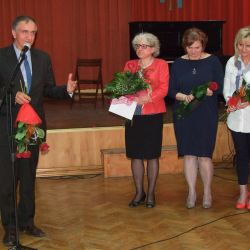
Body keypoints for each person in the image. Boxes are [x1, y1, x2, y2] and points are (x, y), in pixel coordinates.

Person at [0, 15, 76, 247]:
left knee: (28, 178)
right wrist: (11, 95)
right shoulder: (1, 57)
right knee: (7, 181)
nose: (29, 37)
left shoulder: (43, 58)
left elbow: (50, 89)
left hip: (34, 128)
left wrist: (67, 90)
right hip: (7, 127)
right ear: (13, 33)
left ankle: (27, 222)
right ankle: (11, 229)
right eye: (24, 32)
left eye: (33, 33)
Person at [168, 28, 224, 209]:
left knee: (205, 156)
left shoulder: (213, 61)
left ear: (203, 46)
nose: (193, 51)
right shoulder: (177, 64)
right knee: (189, 155)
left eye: (197, 47)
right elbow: (170, 90)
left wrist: (211, 91)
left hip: (206, 113)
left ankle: (207, 192)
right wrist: (183, 97)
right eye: (190, 48)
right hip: (184, 113)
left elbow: (220, 86)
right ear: (185, 46)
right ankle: (192, 192)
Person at [124, 32, 169, 208]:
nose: (139, 49)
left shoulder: (161, 64)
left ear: (153, 49)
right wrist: (133, 96)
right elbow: (124, 86)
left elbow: (164, 88)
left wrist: (147, 99)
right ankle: (139, 192)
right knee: (135, 154)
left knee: (151, 155)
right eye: (137, 46)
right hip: (133, 114)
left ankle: (150, 193)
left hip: (153, 113)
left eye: (144, 46)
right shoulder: (130, 65)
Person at [223, 26, 250, 210]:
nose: (243, 49)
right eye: (240, 45)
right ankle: (243, 192)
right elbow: (227, 88)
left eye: (248, 45)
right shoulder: (232, 63)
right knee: (241, 157)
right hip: (236, 119)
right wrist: (230, 102)